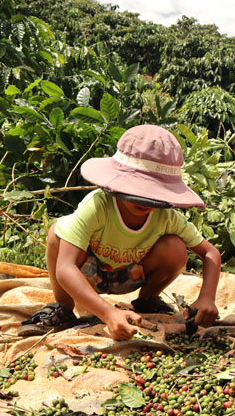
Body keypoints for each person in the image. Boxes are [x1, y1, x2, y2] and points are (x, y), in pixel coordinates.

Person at [19, 124, 221, 340]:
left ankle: (147, 300)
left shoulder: (166, 217)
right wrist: (108, 313)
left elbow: (211, 253)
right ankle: (63, 309)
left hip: (131, 274)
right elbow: (65, 268)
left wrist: (207, 297)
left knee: (175, 247)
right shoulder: (98, 206)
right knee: (56, 234)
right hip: (86, 275)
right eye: (138, 192)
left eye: (154, 195)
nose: (145, 202)